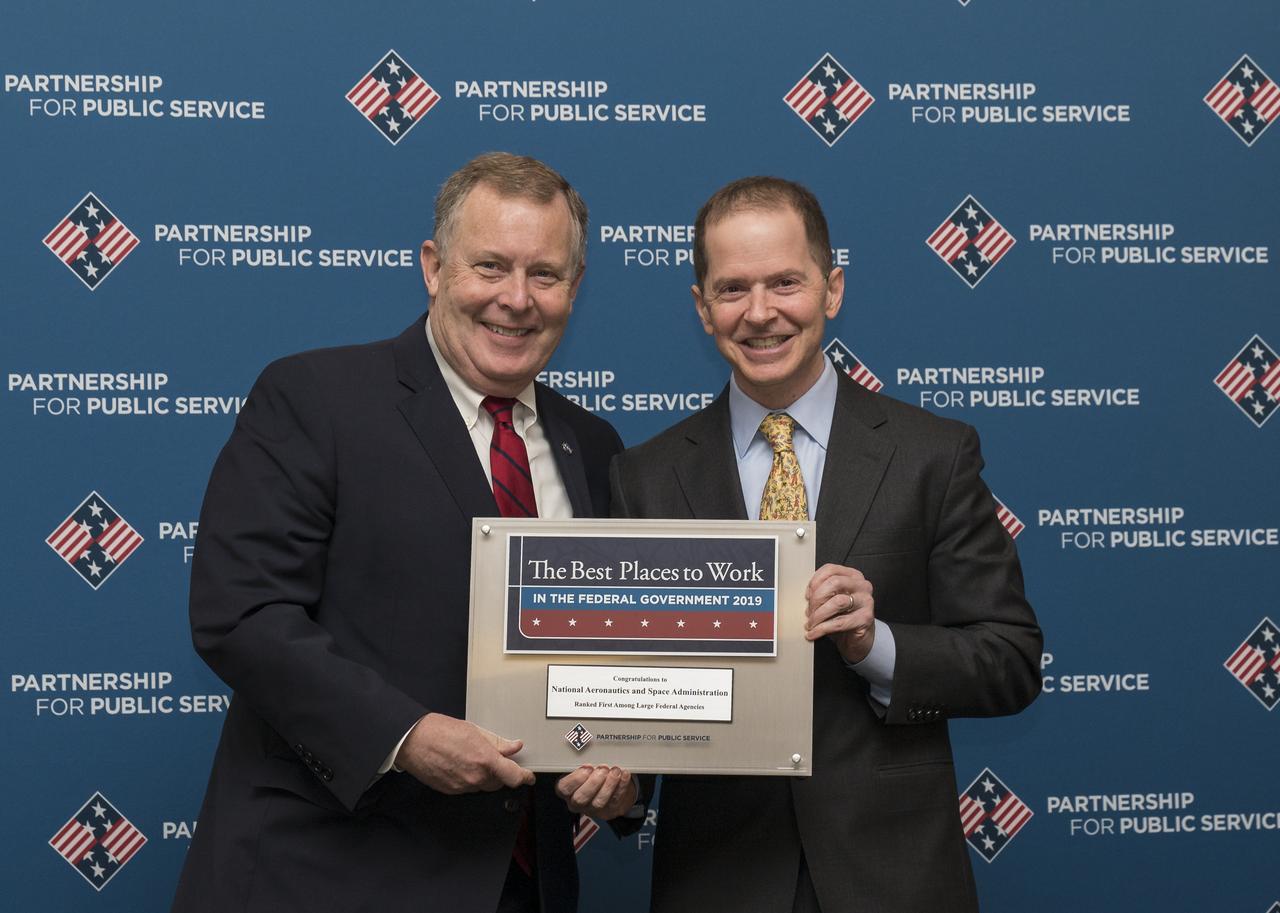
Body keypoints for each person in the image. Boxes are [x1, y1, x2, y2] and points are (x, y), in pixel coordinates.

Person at [172, 152, 638, 913]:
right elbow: (242, 613)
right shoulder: (316, 399)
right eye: (489, 266)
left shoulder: (594, 445)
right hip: (327, 877)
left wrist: (620, 769)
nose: (516, 300)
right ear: (432, 266)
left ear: (575, 288)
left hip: (521, 885)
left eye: (545, 275)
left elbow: (606, 657)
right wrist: (406, 734)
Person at [610, 177, 1043, 913]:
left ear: (832, 288)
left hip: (895, 878)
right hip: (716, 879)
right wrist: (616, 784)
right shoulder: (644, 477)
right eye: (732, 288)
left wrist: (875, 643)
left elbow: (1010, 659)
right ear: (700, 306)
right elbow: (630, 692)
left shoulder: (931, 454)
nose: (760, 312)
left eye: (786, 282)